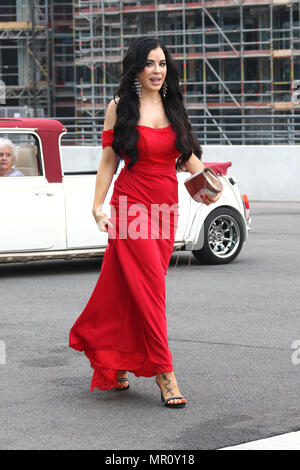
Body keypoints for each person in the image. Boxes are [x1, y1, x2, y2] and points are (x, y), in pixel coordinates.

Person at [69, 37, 221, 408]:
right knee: (152, 290)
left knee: (130, 289)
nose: (157, 70)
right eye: (150, 63)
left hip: (166, 208)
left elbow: (187, 159)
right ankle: (164, 373)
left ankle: (117, 359)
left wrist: (211, 184)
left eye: (163, 64)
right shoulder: (120, 107)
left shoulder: (174, 106)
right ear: (136, 68)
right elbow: (108, 161)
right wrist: (97, 206)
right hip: (131, 206)